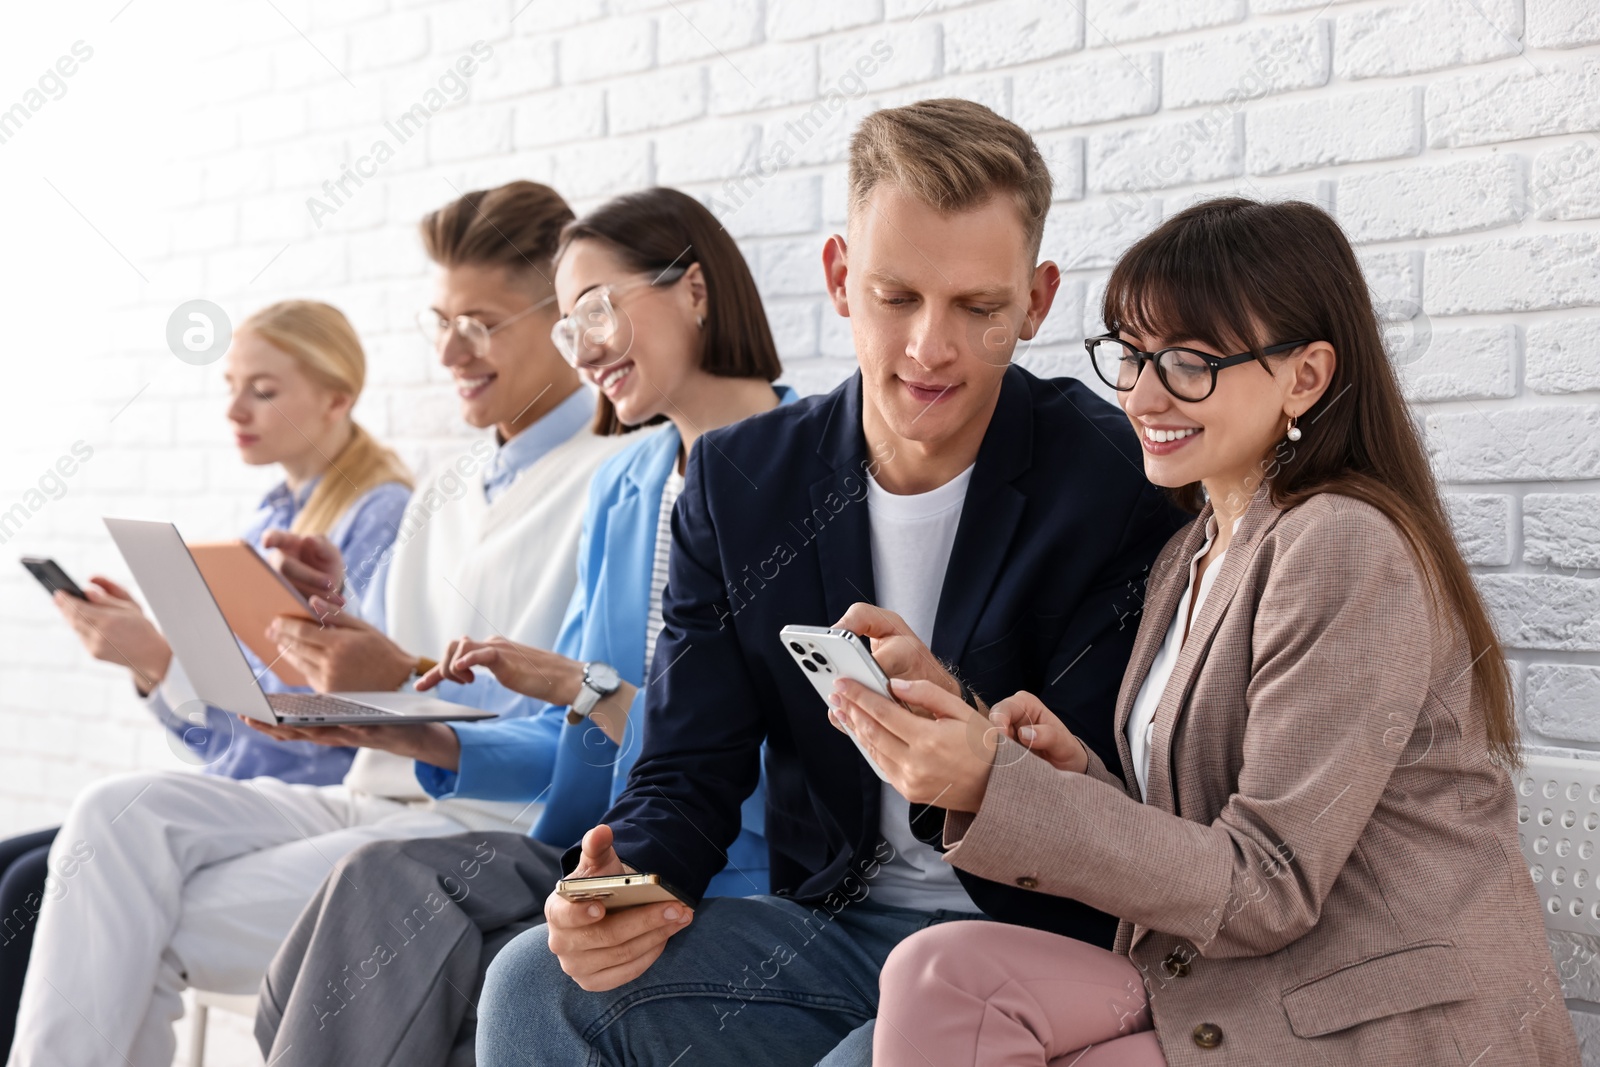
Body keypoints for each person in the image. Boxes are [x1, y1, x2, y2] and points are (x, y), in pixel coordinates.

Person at [474, 98, 1185, 1067]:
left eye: (977, 307)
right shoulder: (741, 482)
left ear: (1036, 301)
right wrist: (623, 889)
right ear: (840, 277)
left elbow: (1120, 793)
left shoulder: (1113, 482)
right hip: (835, 934)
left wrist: (970, 744)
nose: (930, 347)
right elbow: (689, 763)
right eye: (896, 297)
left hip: (1026, 948)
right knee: (533, 979)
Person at [859, 198, 1581, 1065]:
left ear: (1306, 377)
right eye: (1131, 356)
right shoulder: (1192, 554)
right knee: (936, 970)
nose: (1144, 395)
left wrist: (999, 786)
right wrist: (1047, 772)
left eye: (1191, 363)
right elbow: (1198, 840)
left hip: (1373, 1016)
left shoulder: (1341, 543)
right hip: (1248, 973)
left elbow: (1267, 884)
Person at [6, 181, 634, 1067]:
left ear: (563, 319)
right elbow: (401, 669)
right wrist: (337, 620)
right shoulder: (446, 487)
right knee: (114, 814)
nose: (452, 350)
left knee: (119, 920)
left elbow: (586, 708)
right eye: (440, 320)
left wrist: (393, 671)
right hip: (364, 797)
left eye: (481, 321)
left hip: (473, 826)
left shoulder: (621, 476)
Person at [251, 186, 792, 1067]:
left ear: (695, 290)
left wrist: (591, 690)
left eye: (596, 313)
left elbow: (783, 747)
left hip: (731, 861)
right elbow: (567, 730)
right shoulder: (627, 485)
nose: (583, 352)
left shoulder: (811, 467)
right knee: (371, 891)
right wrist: (425, 731)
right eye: (568, 329)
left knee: (453, 993)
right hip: (591, 846)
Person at [0, 298, 412, 1056]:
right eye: (229, 384)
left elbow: (336, 732)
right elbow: (232, 731)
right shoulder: (268, 517)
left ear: (337, 396)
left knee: (30, 888)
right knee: (11, 866)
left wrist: (164, 663)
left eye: (262, 388)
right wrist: (158, 665)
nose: (234, 408)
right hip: (262, 788)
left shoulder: (381, 519)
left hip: (321, 797)